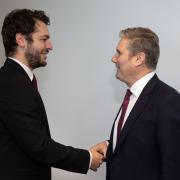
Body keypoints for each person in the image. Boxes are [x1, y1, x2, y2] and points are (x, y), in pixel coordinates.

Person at [0, 9, 107, 180]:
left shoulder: (16, 79)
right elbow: (38, 146)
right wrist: (87, 158)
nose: (50, 46)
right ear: (21, 40)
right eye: (43, 39)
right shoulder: (13, 83)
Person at [106, 27, 180, 180]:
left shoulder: (167, 100)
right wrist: (111, 145)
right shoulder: (133, 96)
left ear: (138, 59)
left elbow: (173, 166)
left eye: (119, 53)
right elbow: (142, 142)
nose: (114, 58)